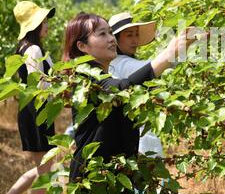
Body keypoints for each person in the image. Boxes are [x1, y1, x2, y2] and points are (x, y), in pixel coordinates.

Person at [62, 13, 198, 182]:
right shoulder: (85, 80)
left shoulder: (107, 75)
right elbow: (120, 88)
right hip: (94, 180)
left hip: (115, 177)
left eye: (110, 32)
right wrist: (168, 54)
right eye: (102, 34)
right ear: (82, 46)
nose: (111, 39)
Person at [4, 1, 56, 194]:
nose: (47, 26)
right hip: (37, 111)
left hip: (32, 110)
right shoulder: (33, 49)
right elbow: (39, 85)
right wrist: (59, 91)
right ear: (35, 25)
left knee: (44, 167)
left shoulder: (23, 47)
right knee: (45, 169)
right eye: (43, 22)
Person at [108, 12, 163, 158]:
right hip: (140, 141)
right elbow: (154, 67)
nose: (135, 40)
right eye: (129, 35)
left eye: (136, 34)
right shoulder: (122, 63)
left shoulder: (112, 63)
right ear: (116, 39)